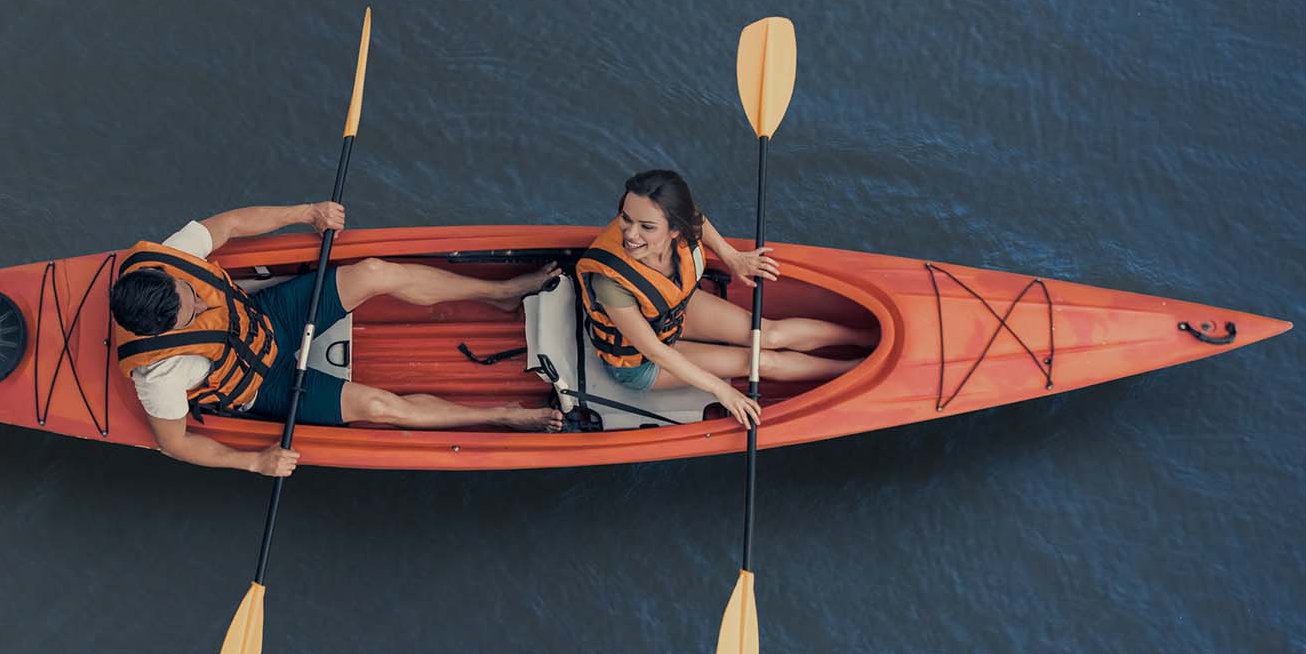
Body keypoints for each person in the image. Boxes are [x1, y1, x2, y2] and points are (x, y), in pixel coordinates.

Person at [113, 202, 562, 477]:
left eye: (190, 292)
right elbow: (175, 444)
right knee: (380, 408)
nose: (199, 302)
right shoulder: (157, 374)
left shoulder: (168, 257)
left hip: (269, 319)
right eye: (189, 313)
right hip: (263, 385)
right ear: (163, 331)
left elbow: (228, 224)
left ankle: (502, 293)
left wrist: (306, 213)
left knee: (374, 272)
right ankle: (503, 414)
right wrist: (252, 462)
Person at [575, 170, 876, 429]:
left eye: (646, 226)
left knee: (772, 333)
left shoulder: (683, 223)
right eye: (626, 218)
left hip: (672, 313)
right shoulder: (610, 282)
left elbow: (698, 220)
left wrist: (732, 257)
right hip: (640, 362)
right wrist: (722, 391)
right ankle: (853, 369)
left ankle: (863, 337)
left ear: (675, 228)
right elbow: (655, 352)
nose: (630, 233)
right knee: (760, 361)